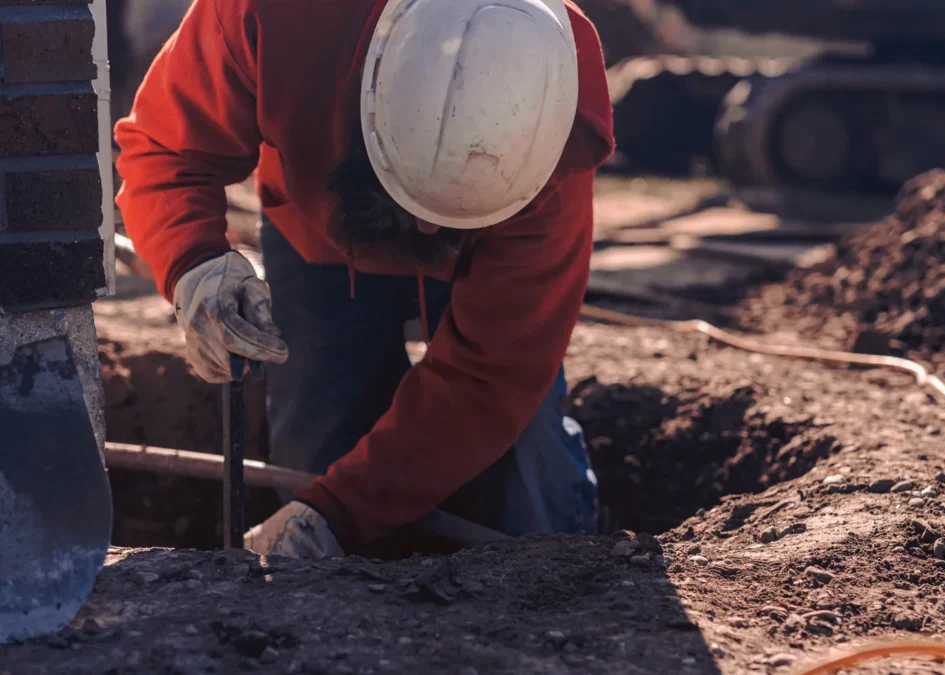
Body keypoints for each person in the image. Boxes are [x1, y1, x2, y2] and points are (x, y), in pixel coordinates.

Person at [114, 0, 615, 559]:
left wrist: (339, 509)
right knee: (317, 451)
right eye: (417, 196)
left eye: (448, 209)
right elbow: (169, 146)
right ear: (368, 100)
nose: (428, 224)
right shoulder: (272, 16)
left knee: (529, 489)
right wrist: (193, 260)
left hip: (494, 246)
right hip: (320, 231)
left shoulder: (553, 108)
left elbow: (491, 377)